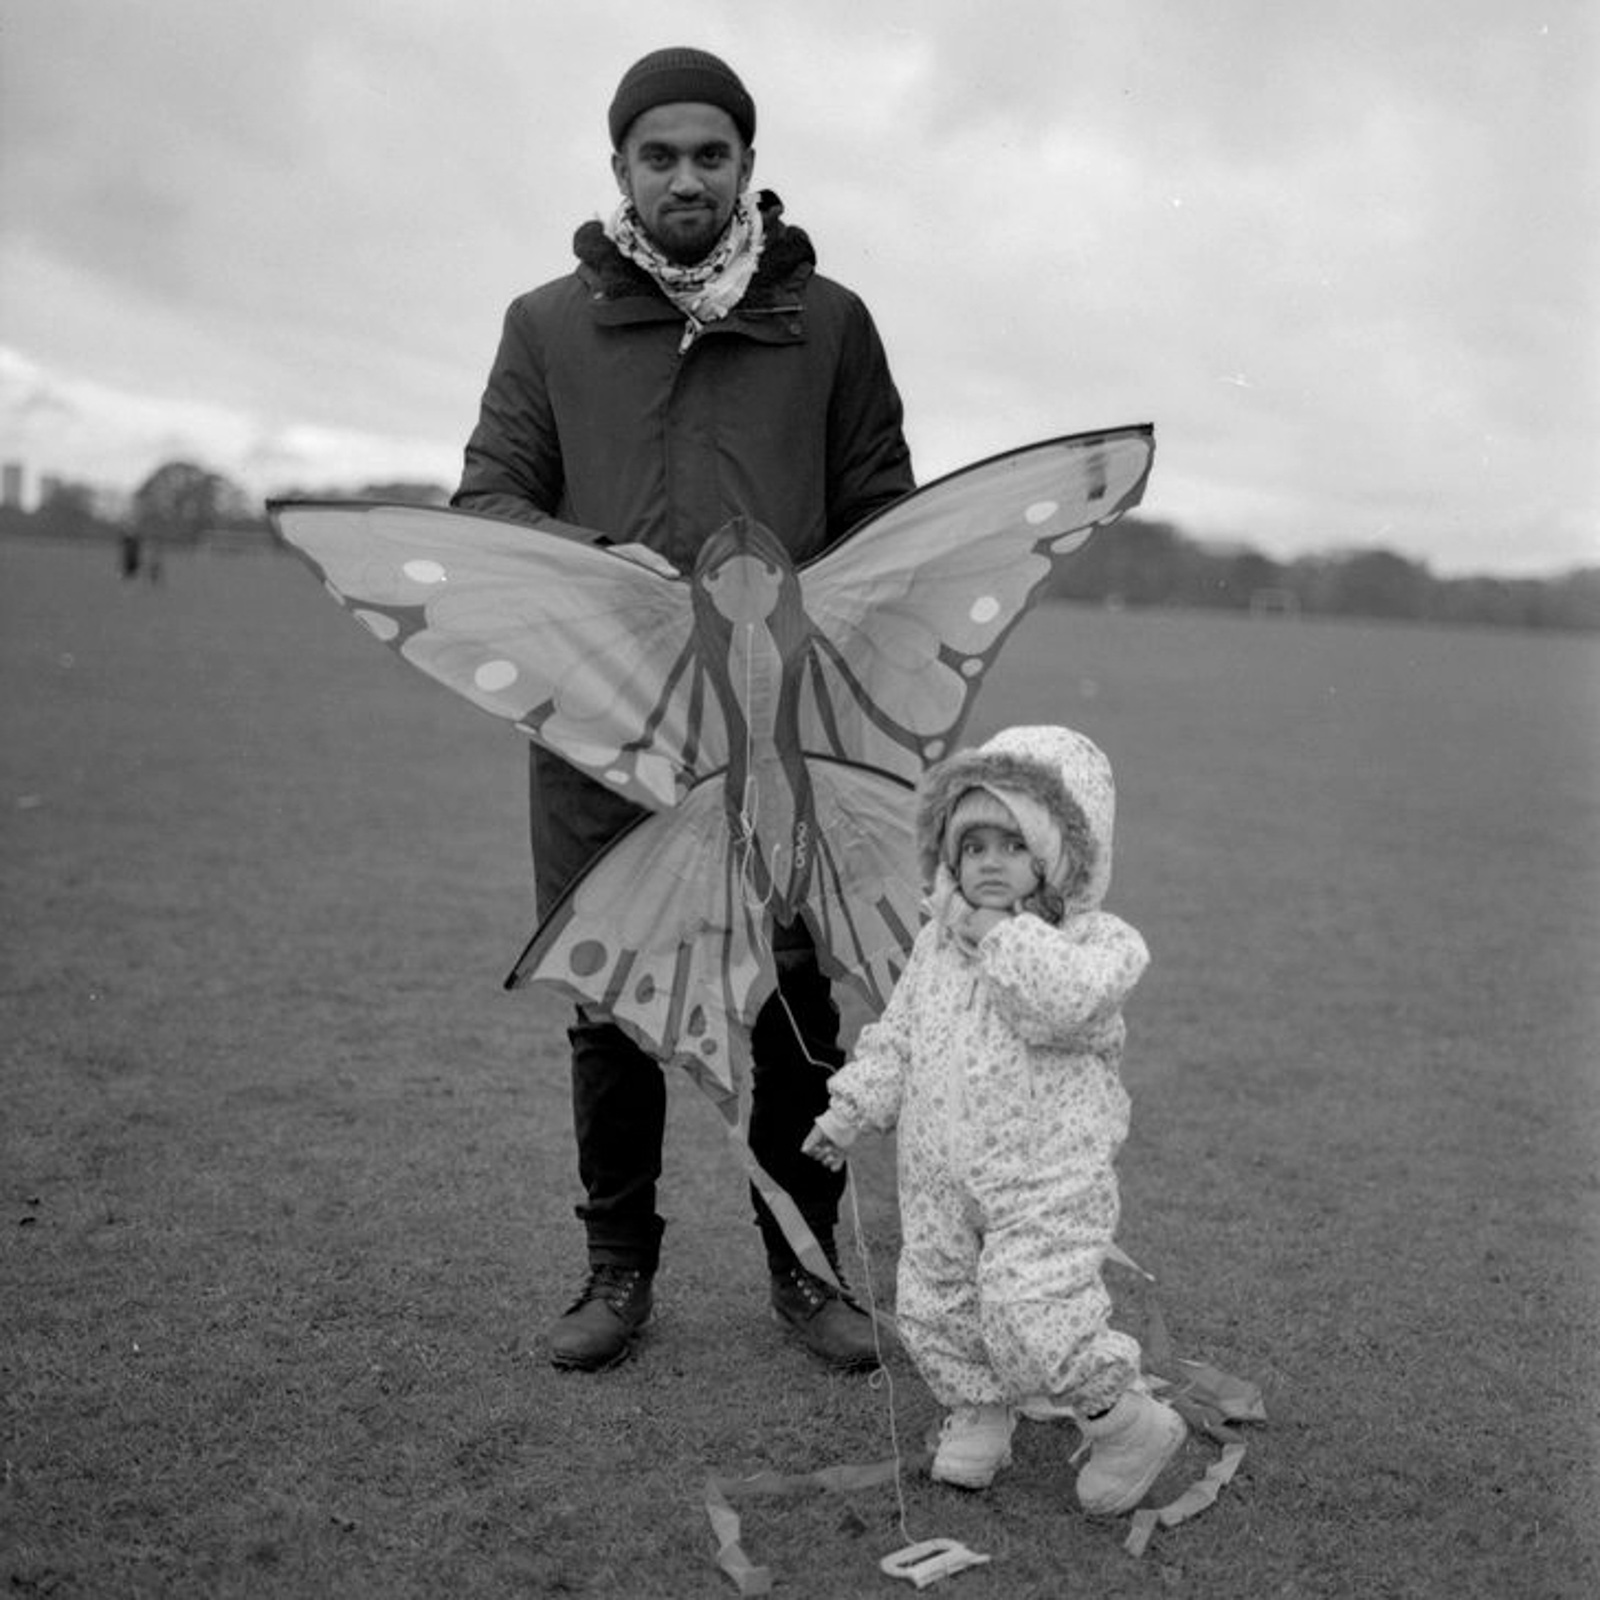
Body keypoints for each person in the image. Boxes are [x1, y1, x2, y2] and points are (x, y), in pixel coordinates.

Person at [452, 47, 915, 1373]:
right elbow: (489, 499)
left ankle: (810, 1273)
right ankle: (615, 1273)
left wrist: (813, 609)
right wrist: (612, 573)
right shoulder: (547, 324)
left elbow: (885, 500)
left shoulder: (828, 322)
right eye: (660, 156)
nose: (687, 177)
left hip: (783, 734)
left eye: (712, 154)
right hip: (604, 730)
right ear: (620, 172)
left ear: (748, 168)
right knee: (611, 1004)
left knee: (796, 1006)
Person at [802, 725, 1187, 1515]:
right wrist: (852, 1109)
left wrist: (999, 936)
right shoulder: (938, 946)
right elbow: (901, 1034)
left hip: (1042, 1183)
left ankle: (1126, 1421)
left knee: (1031, 1313)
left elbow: (1061, 1005)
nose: (987, 860)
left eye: (1013, 843)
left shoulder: (1094, 945)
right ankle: (978, 1408)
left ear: (1060, 854)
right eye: (971, 843)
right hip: (941, 1176)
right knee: (935, 1302)